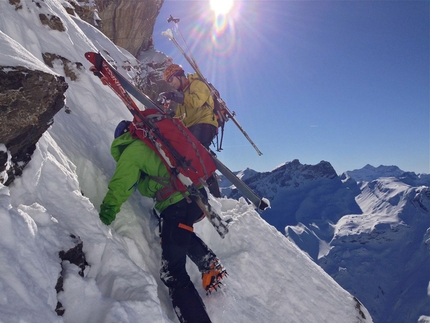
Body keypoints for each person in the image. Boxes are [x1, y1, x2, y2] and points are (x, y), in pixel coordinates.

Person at [99, 120, 226, 323]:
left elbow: (121, 186)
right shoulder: (156, 145)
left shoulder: (132, 150)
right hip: (192, 199)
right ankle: (208, 263)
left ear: (122, 138)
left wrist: (105, 214)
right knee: (177, 234)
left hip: (176, 205)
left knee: (172, 273)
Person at [159, 64, 221, 198]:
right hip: (192, 127)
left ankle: (213, 194)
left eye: (171, 80)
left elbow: (196, 101)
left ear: (178, 75)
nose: (171, 84)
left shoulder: (197, 83)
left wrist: (174, 96)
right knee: (187, 155)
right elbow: (180, 119)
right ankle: (206, 184)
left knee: (193, 155)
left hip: (205, 124)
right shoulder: (183, 94)